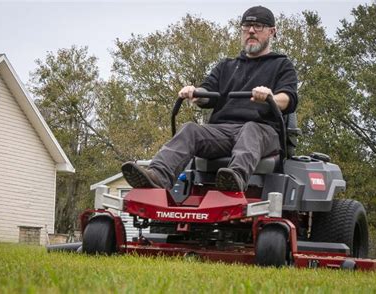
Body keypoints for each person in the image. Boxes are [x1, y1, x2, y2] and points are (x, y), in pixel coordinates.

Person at [122, 5, 298, 192]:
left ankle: (234, 179)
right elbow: (207, 94)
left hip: (263, 132)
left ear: (272, 32)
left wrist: (270, 97)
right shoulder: (226, 66)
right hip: (222, 131)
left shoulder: (282, 65)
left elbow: (288, 99)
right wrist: (194, 93)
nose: (251, 31)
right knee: (190, 129)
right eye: (246, 26)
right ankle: (157, 176)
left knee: (251, 129)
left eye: (258, 26)